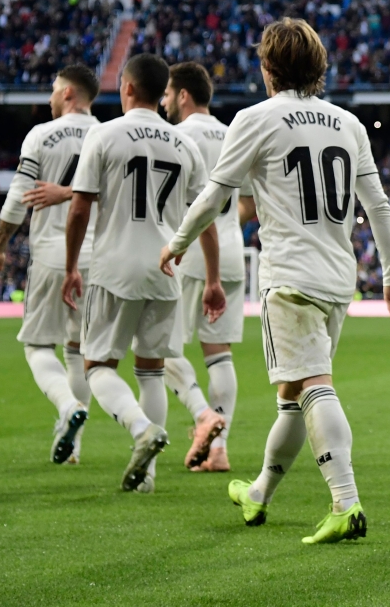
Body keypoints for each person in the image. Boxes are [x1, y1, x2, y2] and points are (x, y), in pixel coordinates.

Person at [161, 18, 390, 544]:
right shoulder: (348, 123)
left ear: (269, 67)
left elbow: (214, 198)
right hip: (338, 275)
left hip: (290, 274)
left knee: (314, 385)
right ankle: (259, 494)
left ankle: (345, 502)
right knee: (293, 392)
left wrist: (178, 243)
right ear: (319, 66)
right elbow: (379, 205)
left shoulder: (254, 118)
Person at [63, 53, 224, 493]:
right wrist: (211, 279)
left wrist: (71, 265)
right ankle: (145, 479)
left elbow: (79, 208)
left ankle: (140, 430)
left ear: (128, 88)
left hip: (114, 267)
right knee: (151, 371)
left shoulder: (105, 135)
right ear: (161, 93)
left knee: (97, 366)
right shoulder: (184, 145)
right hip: (165, 271)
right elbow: (204, 216)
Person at [0, 64, 100, 465]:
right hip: (97, 257)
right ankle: (73, 449)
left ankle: (67, 407)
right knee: (78, 351)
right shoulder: (108, 134)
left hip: (51, 252)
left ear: (67, 93)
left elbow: (18, 199)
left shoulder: (42, 135)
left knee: (36, 344)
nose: (48, 97)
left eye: (52, 89)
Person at [159, 62, 239, 472]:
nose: (165, 102)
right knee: (219, 354)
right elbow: (251, 201)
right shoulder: (234, 134)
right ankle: (220, 450)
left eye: (168, 95)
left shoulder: (174, 137)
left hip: (188, 252)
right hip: (232, 251)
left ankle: (202, 415)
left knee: (159, 348)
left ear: (184, 95)